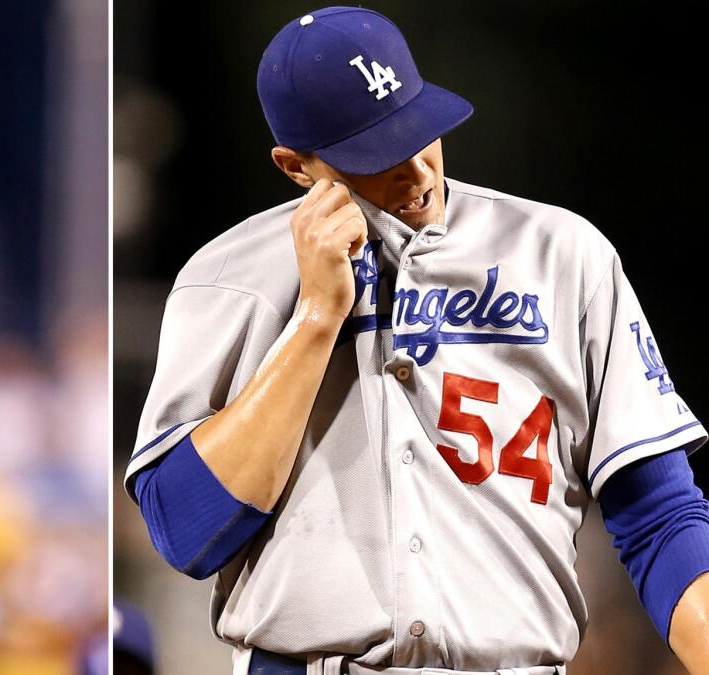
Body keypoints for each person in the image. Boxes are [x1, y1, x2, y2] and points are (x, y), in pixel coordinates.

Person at [126, 6, 709, 674]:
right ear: (296, 166)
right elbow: (186, 532)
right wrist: (316, 320)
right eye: (377, 155)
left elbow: (660, 515)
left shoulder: (561, 255)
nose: (418, 173)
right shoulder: (229, 279)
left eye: (418, 131)